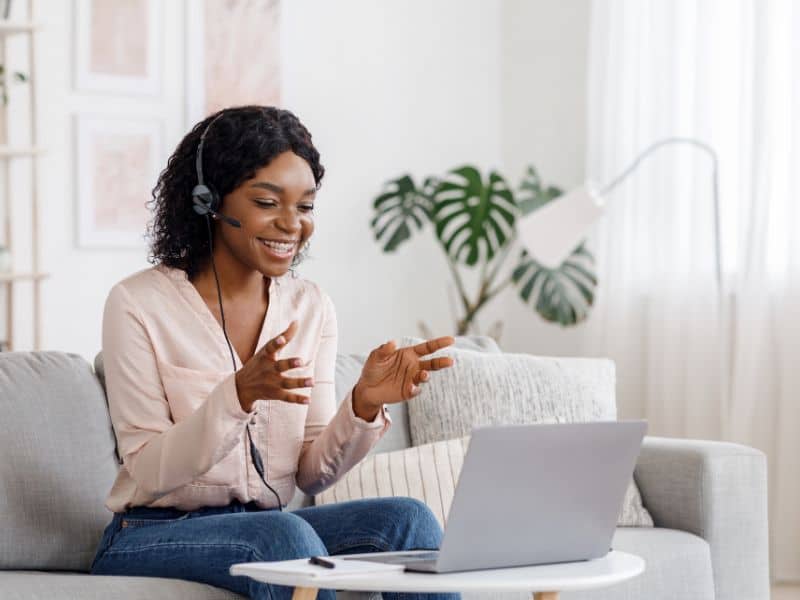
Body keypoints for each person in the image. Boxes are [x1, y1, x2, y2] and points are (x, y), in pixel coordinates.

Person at [90, 105, 459, 600]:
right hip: (150, 533)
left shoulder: (311, 308)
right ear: (209, 203)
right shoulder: (138, 303)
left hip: (266, 526)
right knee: (285, 537)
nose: (292, 225)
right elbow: (148, 471)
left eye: (305, 207)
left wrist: (364, 405)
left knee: (406, 520)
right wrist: (236, 396)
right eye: (268, 202)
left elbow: (311, 472)